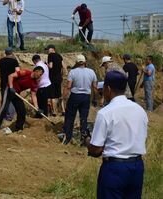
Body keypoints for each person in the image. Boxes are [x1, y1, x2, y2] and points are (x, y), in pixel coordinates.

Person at [84, 71, 148, 199]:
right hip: (137, 167)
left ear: (108, 89)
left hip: (114, 168)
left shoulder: (105, 113)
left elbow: (96, 149)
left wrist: (87, 141)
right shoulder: (140, 110)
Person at [0, 67, 44, 131]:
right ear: (36, 71)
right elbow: (10, 76)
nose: (40, 76)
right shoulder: (26, 72)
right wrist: (11, 87)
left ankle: (18, 128)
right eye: (40, 74)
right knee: (4, 107)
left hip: (16, 93)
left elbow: (33, 95)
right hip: (9, 89)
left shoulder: (35, 83)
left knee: (22, 110)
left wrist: (37, 108)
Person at [62, 55, 98, 145]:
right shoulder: (91, 72)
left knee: (70, 117)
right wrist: (94, 98)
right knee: (84, 118)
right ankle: (84, 138)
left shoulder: (73, 72)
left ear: (77, 62)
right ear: (85, 62)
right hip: (86, 97)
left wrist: (63, 97)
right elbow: (95, 87)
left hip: (75, 96)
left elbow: (69, 86)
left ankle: (68, 138)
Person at [0, 47, 20, 121]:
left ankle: (6, 115)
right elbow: (18, 71)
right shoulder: (14, 61)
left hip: (3, 82)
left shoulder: (1, 61)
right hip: (13, 82)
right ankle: (10, 115)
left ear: (5, 52)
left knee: (4, 99)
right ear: (12, 53)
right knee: (11, 99)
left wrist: (2, 76)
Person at [45, 44, 67, 116]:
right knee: (59, 95)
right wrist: (63, 75)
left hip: (52, 78)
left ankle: (54, 112)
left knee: (52, 96)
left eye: (48, 50)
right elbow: (64, 66)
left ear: (52, 49)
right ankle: (63, 111)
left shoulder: (50, 55)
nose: (47, 51)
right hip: (59, 78)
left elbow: (50, 66)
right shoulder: (59, 55)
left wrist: (46, 64)